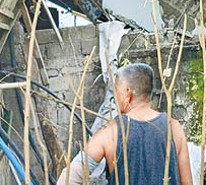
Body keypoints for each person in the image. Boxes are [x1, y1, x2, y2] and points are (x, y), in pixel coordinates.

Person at [58, 63, 193, 185]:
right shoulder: (174, 128)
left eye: (117, 91)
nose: (115, 98)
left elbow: (69, 178)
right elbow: (187, 182)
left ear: (128, 93)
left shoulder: (110, 132)